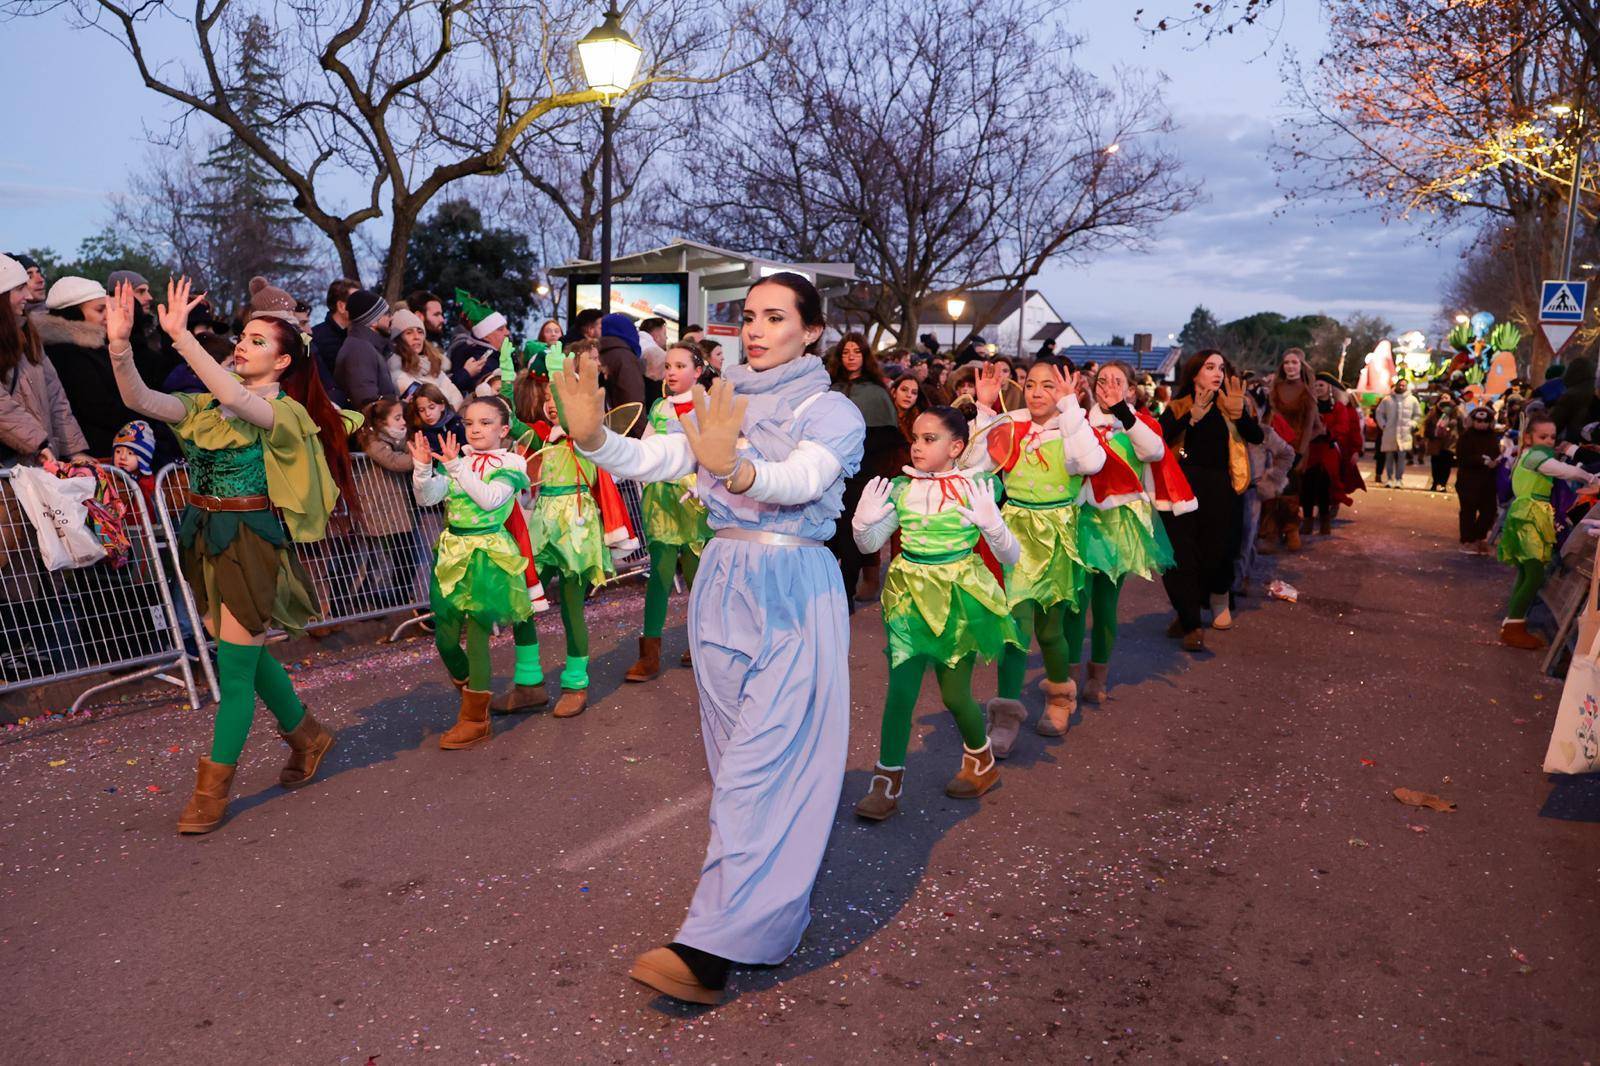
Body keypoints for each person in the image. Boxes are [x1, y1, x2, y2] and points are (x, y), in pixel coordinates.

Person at [552, 271, 864, 1005]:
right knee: (734, 768)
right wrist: (594, 437)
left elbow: (803, 477)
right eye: (748, 316)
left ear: (812, 330)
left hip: (793, 584)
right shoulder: (722, 400)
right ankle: (770, 918)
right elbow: (659, 460)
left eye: (775, 317)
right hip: (721, 580)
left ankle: (710, 946)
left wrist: (741, 466)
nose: (755, 329)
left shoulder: (834, 410)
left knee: (761, 766)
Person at [105, 276, 353, 834]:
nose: (242, 344)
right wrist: (120, 344)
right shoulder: (203, 407)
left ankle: (211, 790)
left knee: (234, 670)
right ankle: (309, 735)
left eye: (258, 341)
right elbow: (139, 399)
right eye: (242, 335)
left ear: (285, 362)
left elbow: (240, 398)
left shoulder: (283, 413)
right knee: (242, 650)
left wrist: (182, 339)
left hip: (248, 538)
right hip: (202, 530)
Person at [849, 406, 1021, 820]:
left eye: (931, 439)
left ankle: (981, 763)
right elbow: (870, 541)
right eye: (916, 438)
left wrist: (993, 526)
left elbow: (1010, 555)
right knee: (901, 694)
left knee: (954, 694)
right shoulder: (901, 488)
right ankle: (886, 784)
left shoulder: (976, 487)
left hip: (957, 598)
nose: (919, 446)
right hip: (908, 597)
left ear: (956, 447)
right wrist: (861, 525)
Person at [975, 359, 1105, 755]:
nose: (1036, 392)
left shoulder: (1073, 426)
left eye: (1048, 386)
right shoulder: (1010, 424)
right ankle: (1006, 716)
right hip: (1015, 532)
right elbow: (974, 467)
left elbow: (1090, 463)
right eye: (1030, 384)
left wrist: (1070, 409)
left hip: (1057, 534)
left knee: (1051, 630)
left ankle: (1060, 697)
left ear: (1065, 390)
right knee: (1014, 628)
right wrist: (984, 410)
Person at [409, 395, 538, 743]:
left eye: (485, 422)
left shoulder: (511, 464)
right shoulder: (459, 459)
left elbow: (490, 499)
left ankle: (476, 719)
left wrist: (455, 467)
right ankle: (472, 690)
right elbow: (430, 498)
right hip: (452, 551)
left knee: (478, 638)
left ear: (504, 428)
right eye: (469, 423)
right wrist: (423, 469)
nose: (475, 429)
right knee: (445, 638)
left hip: (488, 554)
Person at [1071, 362, 1175, 702]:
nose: (1108, 387)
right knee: (1074, 604)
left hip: (1117, 528)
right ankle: (1067, 679)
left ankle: (1098, 674)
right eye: (1102, 381)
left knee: (1104, 606)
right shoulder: (1079, 423)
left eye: (1118, 382)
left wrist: (1122, 415)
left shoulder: (1141, 424)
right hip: (1078, 523)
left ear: (1131, 390)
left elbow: (1154, 451)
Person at [526, 354, 622, 719]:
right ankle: (528, 682)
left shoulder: (588, 436)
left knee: (571, 609)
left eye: (560, 397)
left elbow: (579, 430)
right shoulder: (539, 436)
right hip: (542, 526)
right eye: (549, 397)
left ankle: (575, 684)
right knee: (523, 600)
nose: (552, 405)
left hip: (577, 529)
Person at [1158, 350, 1263, 649]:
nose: (1217, 373)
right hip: (1180, 488)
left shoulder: (1231, 403)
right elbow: (1160, 438)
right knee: (1180, 556)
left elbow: (1256, 437)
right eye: (1209, 367)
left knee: (1216, 553)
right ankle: (1190, 621)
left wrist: (1239, 414)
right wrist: (1189, 420)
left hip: (1221, 488)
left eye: (1221, 368)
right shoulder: (1179, 405)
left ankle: (1217, 599)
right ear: (1194, 374)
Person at [626, 342, 713, 682]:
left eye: (680, 366)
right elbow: (646, 447)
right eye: (668, 366)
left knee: (697, 578)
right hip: (661, 499)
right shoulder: (659, 406)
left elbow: (716, 452)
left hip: (694, 501)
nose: (672, 372)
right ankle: (649, 655)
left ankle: (702, 641)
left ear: (698, 370)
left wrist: (706, 487)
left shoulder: (706, 406)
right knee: (660, 576)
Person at [1498, 412, 1600, 649]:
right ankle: (1513, 625)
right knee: (1533, 573)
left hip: (1526, 515)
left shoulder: (1527, 454)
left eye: (1552, 437)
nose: (1548, 441)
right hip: (1530, 517)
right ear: (1529, 437)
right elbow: (1563, 470)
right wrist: (1590, 477)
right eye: (1543, 436)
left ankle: (1512, 622)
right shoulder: (1535, 456)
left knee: (1526, 573)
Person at [36, 275, 156, 461]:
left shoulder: (97, 347)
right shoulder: (66, 353)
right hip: (99, 452)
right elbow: (96, 407)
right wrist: (147, 421)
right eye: (100, 310)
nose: (108, 316)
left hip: (119, 446)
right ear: (73, 314)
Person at [825, 332, 899, 605]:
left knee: (851, 535)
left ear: (864, 355)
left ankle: (845, 591)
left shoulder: (876, 392)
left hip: (861, 473)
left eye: (856, 351)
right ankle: (828, 591)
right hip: (831, 474)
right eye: (846, 352)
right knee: (829, 533)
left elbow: (888, 437)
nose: (851, 356)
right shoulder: (830, 389)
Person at [0, 255, 91, 466]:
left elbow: (55, 396)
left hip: (41, 461)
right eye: (19, 288)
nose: (28, 294)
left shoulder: (28, 334)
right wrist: (38, 443)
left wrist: (75, 451)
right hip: (10, 470)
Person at [354, 398, 423, 608]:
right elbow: (395, 462)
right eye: (398, 418)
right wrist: (420, 457)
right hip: (381, 509)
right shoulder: (372, 441)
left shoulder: (398, 440)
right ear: (383, 422)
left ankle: (397, 597)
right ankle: (367, 598)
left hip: (397, 509)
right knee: (383, 560)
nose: (404, 422)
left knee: (406, 556)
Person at [1261, 348, 1320, 551]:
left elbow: (1310, 425)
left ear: (1301, 366)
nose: (1290, 366)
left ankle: (1291, 529)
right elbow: (1268, 419)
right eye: (1286, 362)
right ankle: (1270, 533)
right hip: (1274, 447)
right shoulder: (1275, 389)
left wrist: (1300, 454)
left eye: (1294, 362)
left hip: (1296, 449)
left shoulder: (1307, 392)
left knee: (1290, 492)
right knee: (1270, 492)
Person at [334, 290, 397, 410]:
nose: (391, 317)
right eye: (387, 313)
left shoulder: (368, 346)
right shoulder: (358, 350)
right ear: (373, 320)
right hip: (376, 425)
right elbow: (367, 402)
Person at [388, 309, 462, 407]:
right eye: (409, 333)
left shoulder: (431, 363)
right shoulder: (397, 371)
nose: (416, 337)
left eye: (420, 332)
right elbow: (429, 402)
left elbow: (458, 398)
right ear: (398, 339)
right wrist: (445, 397)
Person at [448, 290, 508, 398]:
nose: (507, 333)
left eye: (506, 328)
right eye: (500, 329)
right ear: (485, 335)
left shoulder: (494, 358)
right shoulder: (481, 363)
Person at [1455, 405, 1499, 554]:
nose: (1482, 424)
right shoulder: (1466, 437)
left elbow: (1496, 452)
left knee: (1489, 511)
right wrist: (1482, 461)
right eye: (1478, 421)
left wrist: (1497, 460)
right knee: (1468, 511)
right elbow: (1462, 457)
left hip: (1488, 481)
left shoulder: (1493, 436)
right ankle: (1467, 540)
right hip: (1468, 481)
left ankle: (1479, 537)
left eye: (1485, 421)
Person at [597, 313, 648, 436]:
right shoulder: (625, 358)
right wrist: (642, 438)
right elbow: (633, 401)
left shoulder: (601, 354)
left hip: (607, 431)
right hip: (626, 434)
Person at [311, 278, 360, 398]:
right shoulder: (316, 337)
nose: (362, 306)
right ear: (341, 306)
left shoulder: (361, 335)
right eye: (357, 301)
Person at [1374, 380, 1420, 486]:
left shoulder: (1412, 400)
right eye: (1400, 385)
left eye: (1404, 385)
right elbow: (1379, 413)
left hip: (1404, 433)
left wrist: (1412, 424)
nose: (1402, 386)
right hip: (1390, 432)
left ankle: (1399, 479)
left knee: (1401, 457)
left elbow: (1417, 415)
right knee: (1389, 457)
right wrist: (1383, 425)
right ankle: (1390, 478)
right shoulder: (1387, 399)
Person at [1424, 398, 1458, 492]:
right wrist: (1432, 434)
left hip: (1449, 443)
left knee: (1446, 465)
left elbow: (1462, 426)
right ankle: (1435, 483)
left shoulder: (1455, 414)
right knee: (1436, 465)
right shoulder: (1433, 413)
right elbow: (1427, 425)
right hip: (1435, 443)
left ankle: (1442, 484)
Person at [639, 316, 669, 383]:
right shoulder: (655, 352)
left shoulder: (636, 343)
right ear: (657, 335)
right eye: (664, 334)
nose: (666, 338)